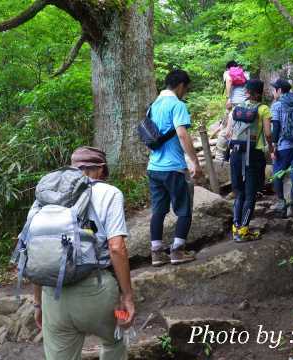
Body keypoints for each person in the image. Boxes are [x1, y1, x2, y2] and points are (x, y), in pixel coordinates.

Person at [33, 146, 134, 360]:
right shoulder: (109, 193)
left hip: (53, 296)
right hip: (99, 292)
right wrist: (127, 297)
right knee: (116, 339)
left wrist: (38, 304)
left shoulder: (45, 197)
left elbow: (35, 253)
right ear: (100, 170)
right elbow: (116, 247)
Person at [147, 69, 203, 267]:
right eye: (185, 89)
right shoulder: (177, 105)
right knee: (184, 209)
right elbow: (182, 134)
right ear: (180, 86)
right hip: (174, 168)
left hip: (154, 167)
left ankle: (156, 253)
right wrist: (195, 162)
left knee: (158, 211)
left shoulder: (153, 105)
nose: (185, 92)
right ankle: (178, 251)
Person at [227, 79, 274, 242]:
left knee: (239, 192)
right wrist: (272, 149)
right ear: (260, 92)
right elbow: (268, 133)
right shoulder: (263, 109)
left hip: (235, 153)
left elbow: (228, 132)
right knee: (250, 194)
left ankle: (236, 228)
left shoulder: (237, 108)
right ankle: (244, 231)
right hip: (253, 154)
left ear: (247, 92)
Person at [270, 79, 293, 218]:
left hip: (283, 146)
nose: (273, 92)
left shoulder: (277, 105)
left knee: (278, 174)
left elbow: (276, 126)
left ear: (279, 90)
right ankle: (292, 207)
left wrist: (273, 146)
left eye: (274, 90)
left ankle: (281, 202)